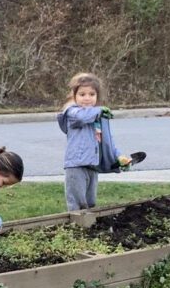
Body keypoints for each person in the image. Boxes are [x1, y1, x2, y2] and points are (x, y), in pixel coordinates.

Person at [57, 73, 138, 211]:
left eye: (91, 94)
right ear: (74, 96)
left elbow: (107, 142)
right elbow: (83, 117)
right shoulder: (72, 112)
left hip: (93, 165)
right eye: (82, 94)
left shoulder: (100, 116)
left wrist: (118, 157)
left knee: (91, 202)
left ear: (97, 96)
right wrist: (100, 110)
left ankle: (89, 228)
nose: (87, 98)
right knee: (77, 204)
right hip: (76, 165)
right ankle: (76, 228)